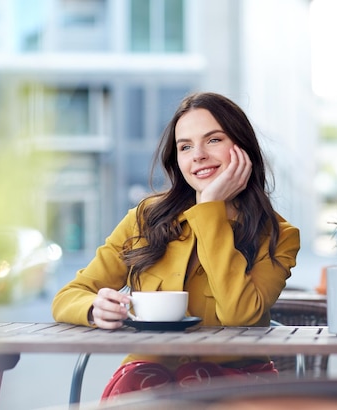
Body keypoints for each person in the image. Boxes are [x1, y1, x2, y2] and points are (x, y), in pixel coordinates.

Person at [52, 91, 300, 398]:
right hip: (148, 383)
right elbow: (67, 296)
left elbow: (240, 317)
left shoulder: (279, 234)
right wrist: (94, 309)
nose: (197, 155)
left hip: (240, 384)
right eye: (185, 146)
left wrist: (210, 206)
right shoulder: (145, 218)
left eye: (213, 140)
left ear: (242, 147)